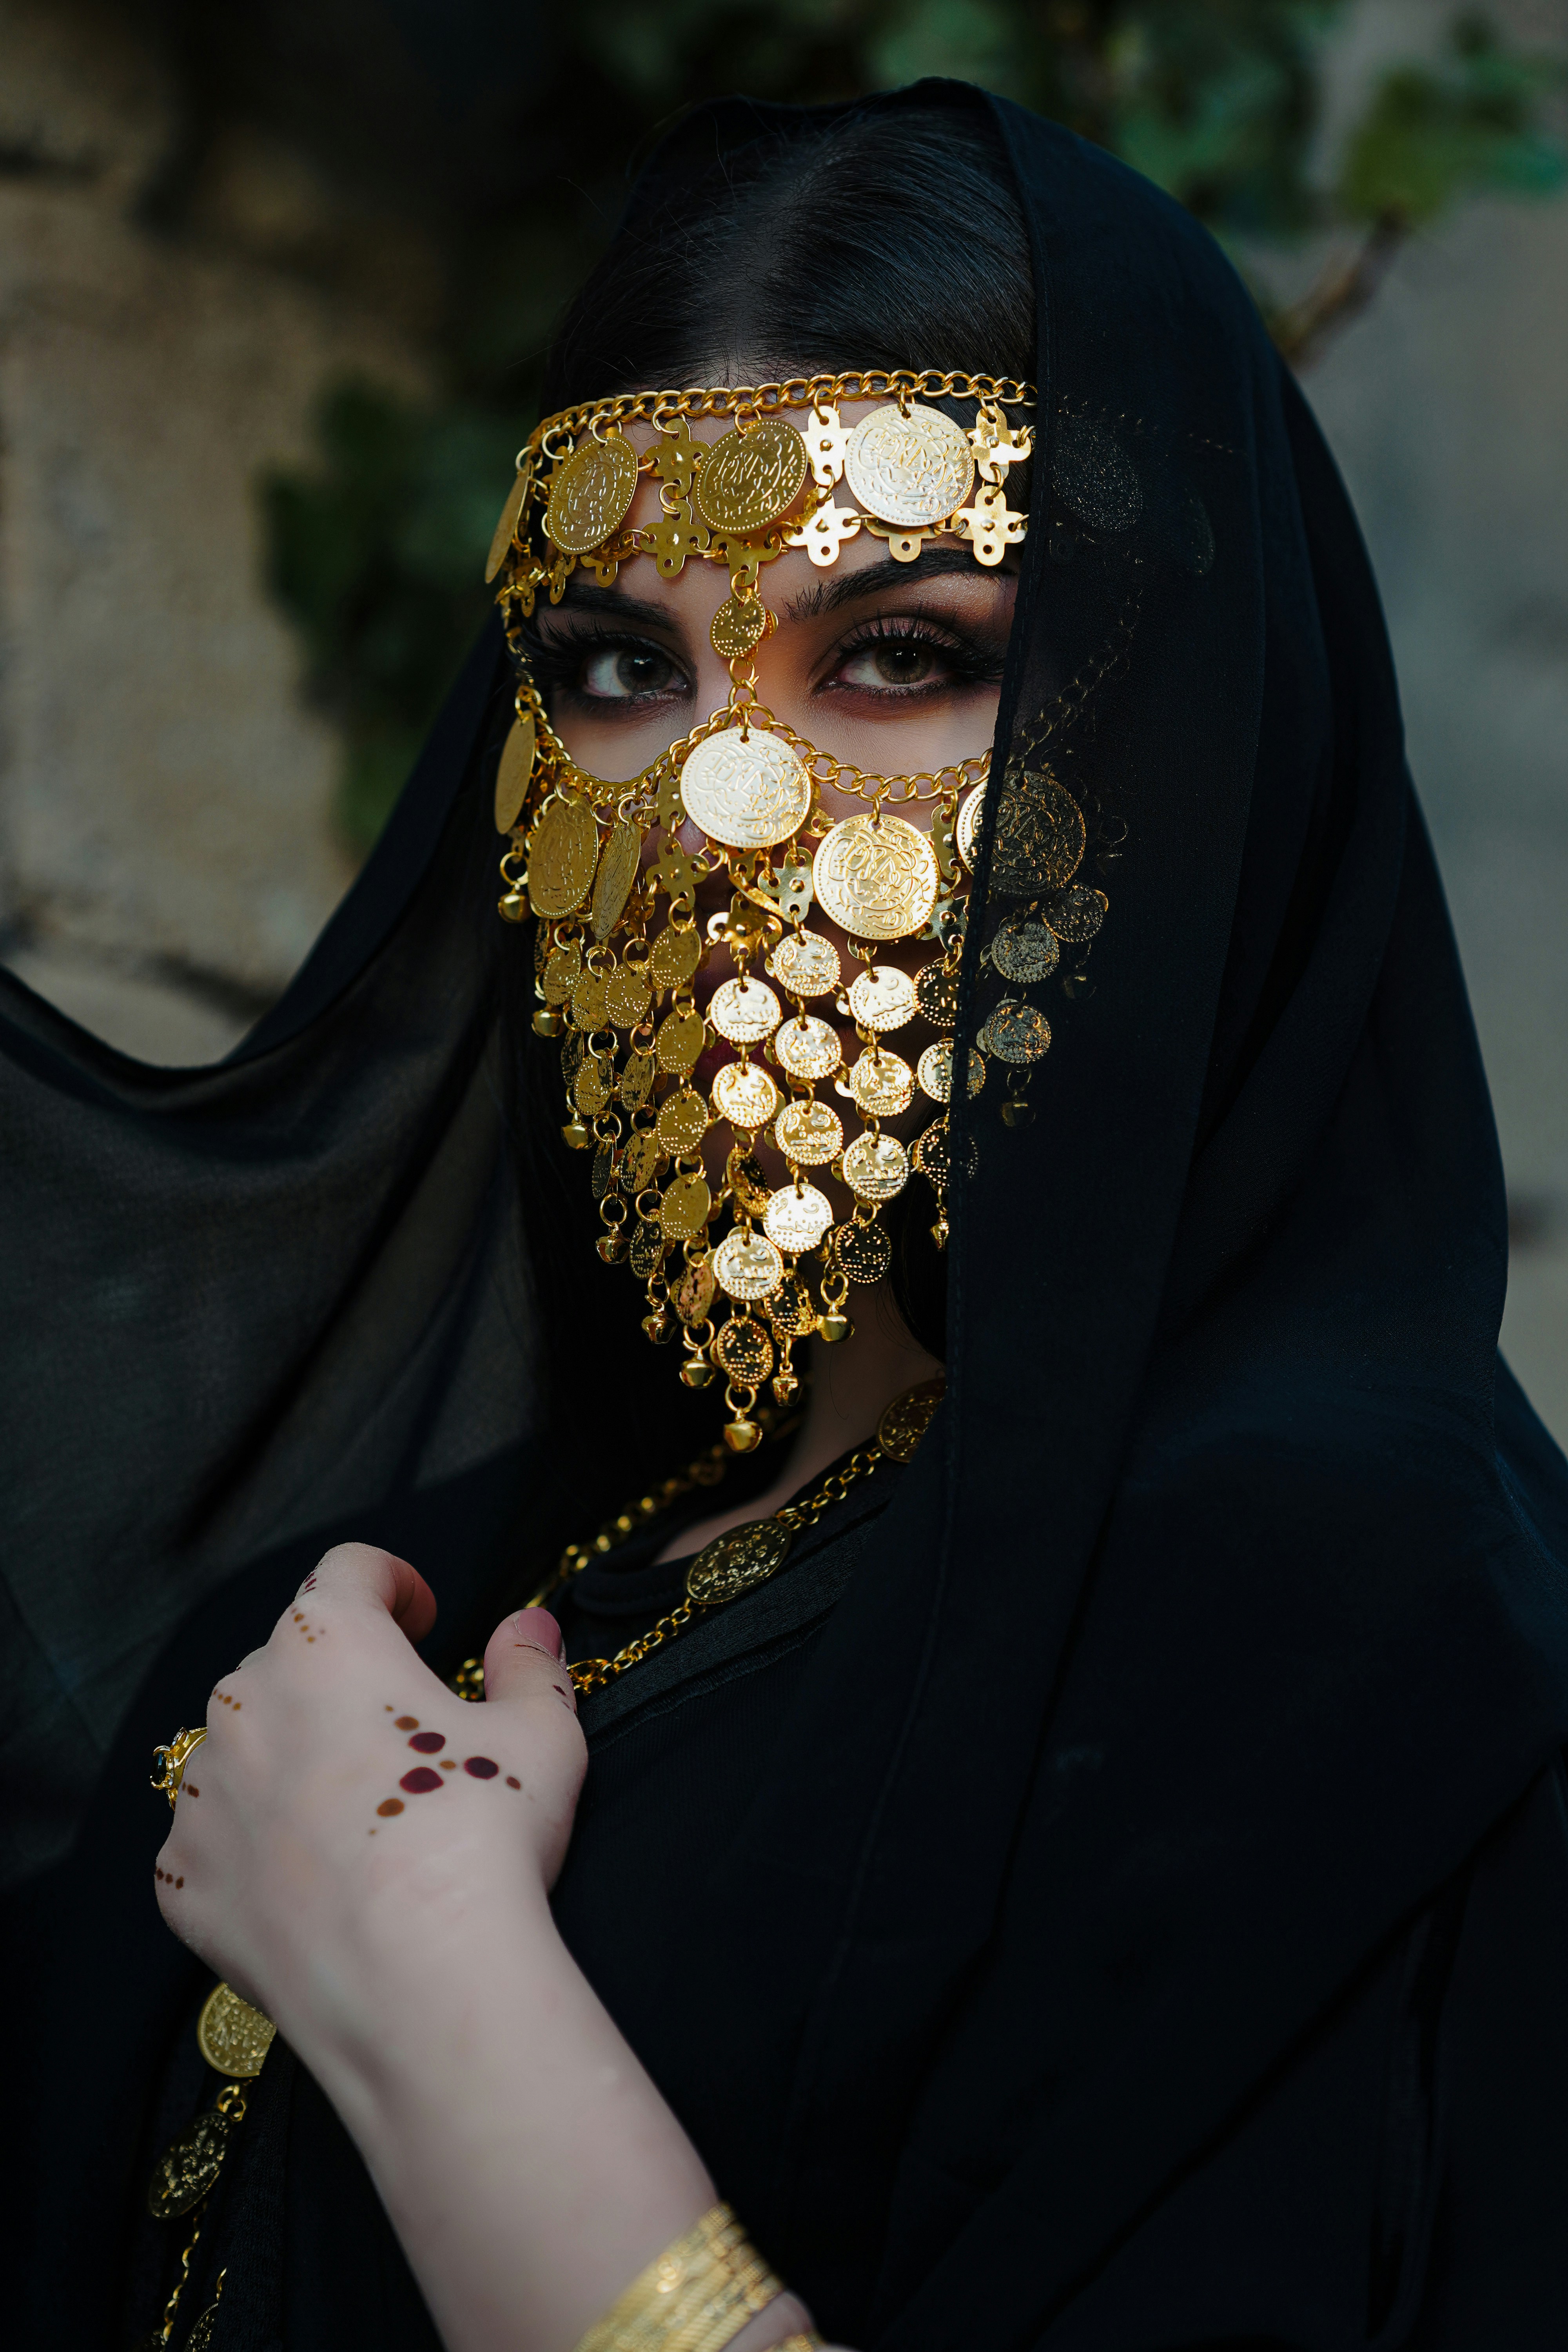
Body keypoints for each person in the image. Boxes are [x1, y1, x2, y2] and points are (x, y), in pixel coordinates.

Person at [7, 79, 1568, 2352]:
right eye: (619, 669)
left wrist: (437, 1995)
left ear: (1180, 741)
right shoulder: (379, 1613)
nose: (728, 811)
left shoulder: (1381, 1653)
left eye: (907, 652)